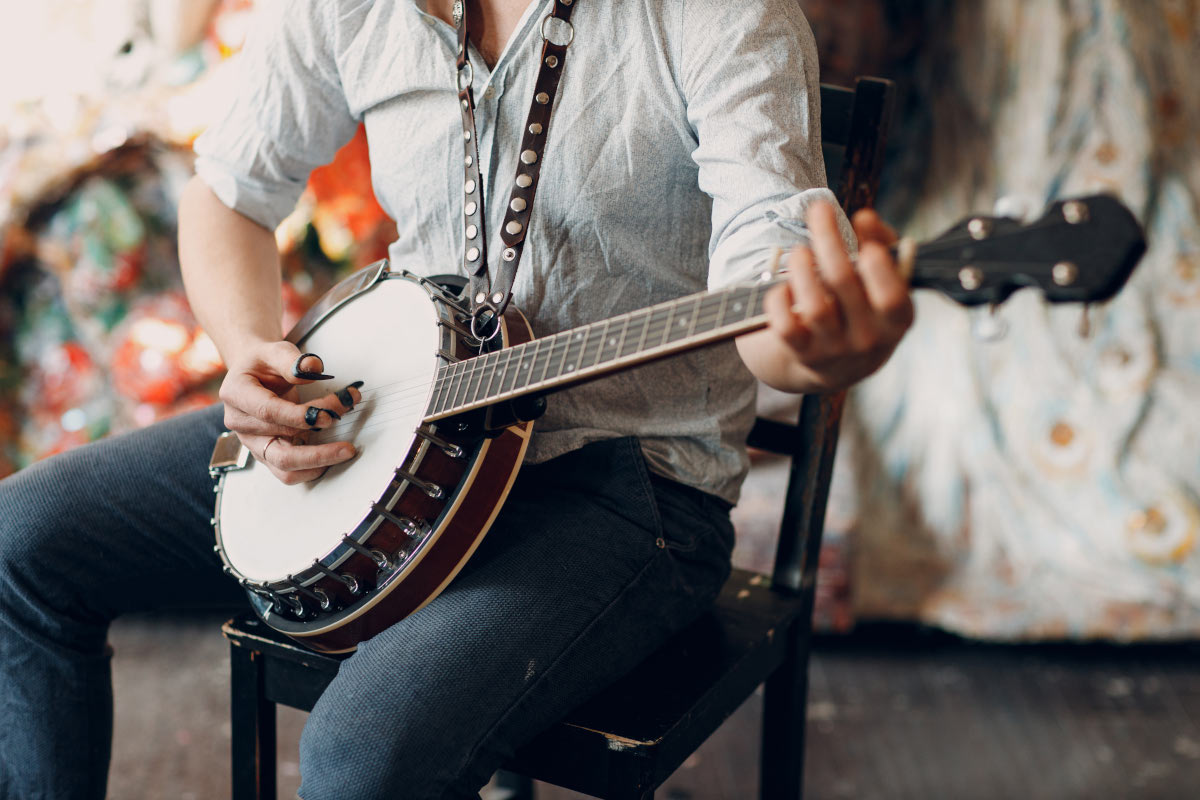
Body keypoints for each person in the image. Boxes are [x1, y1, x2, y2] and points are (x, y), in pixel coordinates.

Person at [0, 1, 913, 797]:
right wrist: (248, 352)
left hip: (628, 488)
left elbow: (769, 262)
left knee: (363, 751)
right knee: (24, 540)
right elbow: (228, 195)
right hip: (391, 417)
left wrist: (816, 341)